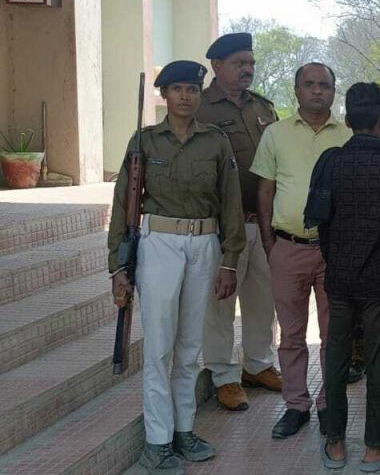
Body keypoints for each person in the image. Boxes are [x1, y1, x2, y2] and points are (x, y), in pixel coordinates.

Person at [109, 61, 245, 474]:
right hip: (160, 244)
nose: (186, 96)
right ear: (164, 95)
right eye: (178, 89)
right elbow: (123, 204)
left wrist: (230, 261)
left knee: (189, 347)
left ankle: (184, 430)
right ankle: (157, 442)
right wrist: (118, 264)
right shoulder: (145, 141)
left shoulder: (215, 141)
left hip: (204, 244)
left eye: (193, 89)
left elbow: (231, 203)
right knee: (159, 348)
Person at [249, 62, 353, 439]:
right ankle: (296, 405)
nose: (317, 90)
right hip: (287, 247)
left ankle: (328, 404)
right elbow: (265, 191)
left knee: (333, 334)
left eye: (324, 84)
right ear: (296, 90)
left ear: (334, 91)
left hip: (333, 251)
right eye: (309, 84)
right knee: (291, 335)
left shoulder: (347, 135)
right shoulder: (275, 134)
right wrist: (268, 242)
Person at [317, 83, 380, 472]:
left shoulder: (331, 163)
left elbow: (321, 224)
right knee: (378, 362)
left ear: (347, 120)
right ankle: (375, 448)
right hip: (378, 282)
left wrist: (335, 262)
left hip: (339, 280)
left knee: (336, 358)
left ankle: (335, 445)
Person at [196, 32, 282, 411]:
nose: (247, 69)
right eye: (239, 63)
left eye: (250, 63)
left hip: (263, 222)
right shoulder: (200, 109)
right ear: (217, 66)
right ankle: (223, 375)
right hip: (221, 226)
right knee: (220, 302)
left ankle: (258, 364)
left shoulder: (262, 106)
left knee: (263, 298)